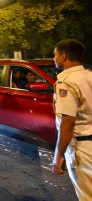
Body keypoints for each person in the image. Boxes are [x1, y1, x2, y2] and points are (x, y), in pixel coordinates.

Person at [51, 39, 92, 201]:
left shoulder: (66, 83)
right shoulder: (89, 76)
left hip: (82, 149)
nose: (54, 58)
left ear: (63, 56)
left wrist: (58, 155)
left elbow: (68, 121)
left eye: (55, 54)